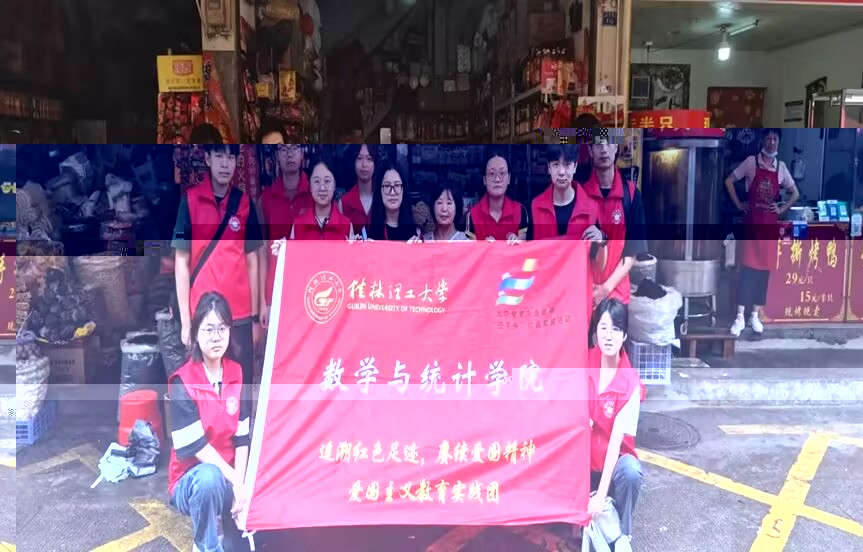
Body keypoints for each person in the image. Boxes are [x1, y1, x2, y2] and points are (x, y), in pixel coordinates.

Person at [173, 143, 264, 389]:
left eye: (230, 158)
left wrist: (255, 318)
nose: (225, 164)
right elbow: (181, 261)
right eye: (219, 156)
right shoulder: (189, 201)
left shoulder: (244, 203)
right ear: (207, 159)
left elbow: (253, 260)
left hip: (240, 315)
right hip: (202, 314)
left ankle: (242, 418)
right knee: (204, 387)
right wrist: (186, 321)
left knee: (241, 386)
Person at [169, 291, 252, 552]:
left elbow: (242, 438)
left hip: (229, 477)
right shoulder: (182, 382)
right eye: (208, 329)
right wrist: (236, 481)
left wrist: (241, 485)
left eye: (222, 329)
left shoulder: (237, 373)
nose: (216, 337)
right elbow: (198, 448)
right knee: (209, 477)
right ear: (195, 333)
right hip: (191, 482)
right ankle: (205, 546)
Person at [725, 128, 800, 336]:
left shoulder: (781, 168)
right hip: (751, 224)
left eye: (775, 139)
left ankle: (754, 316)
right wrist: (739, 204)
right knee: (746, 270)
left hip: (769, 228)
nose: (772, 142)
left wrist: (781, 209)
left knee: (763, 273)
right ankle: (740, 317)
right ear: (763, 141)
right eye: (768, 138)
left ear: (779, 142)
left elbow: (794, 193)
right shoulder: (751, 163)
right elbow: (729, 181)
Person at [586, 298, 645, 551]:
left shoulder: (631, 384)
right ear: (595, 331)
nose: (608, 336)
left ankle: (623, 536)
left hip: (611, 466)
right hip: (581, 464)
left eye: (616, 329)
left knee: (631, 471)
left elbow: (614, 443)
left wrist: (600, 496)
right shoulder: (581, 362)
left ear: (625, 335)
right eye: (603, 328)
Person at [581, 131, 648, 306]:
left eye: (609, 143)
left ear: (616, 147)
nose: (604, 149)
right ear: (590, 151)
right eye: (598, 144)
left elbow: (631, 253)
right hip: (585, 292)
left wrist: (605, 289)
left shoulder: (631, 195)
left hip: (617, 295)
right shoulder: (581, 195)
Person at [259, 144, 312, 323]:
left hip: (308, 284)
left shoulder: (314, 194)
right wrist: (263, 300)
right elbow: (261, 251)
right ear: (276, 155)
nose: (289, 154)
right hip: (276, 285)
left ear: (302, 153)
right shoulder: (266, 199)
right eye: (283, 149)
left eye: (294, 148)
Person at [465, 152, 528, 243]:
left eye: (502, 173)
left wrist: (517, 243)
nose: (497, 179)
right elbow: (471, 251)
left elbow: (523, 249)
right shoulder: (472, 215)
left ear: (509, 178)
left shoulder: (521, 211)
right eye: (492, 174)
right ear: (484, 180)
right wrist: (483, 247)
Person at [290, 158, 355, 240]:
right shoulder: (298, 225)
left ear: (334, 185)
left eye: (327, 181)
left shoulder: (346, 225)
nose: (322, 188)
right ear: (310, 186)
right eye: (317, 181)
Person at [367, 162, 419, 241]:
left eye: (397, 185)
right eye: (387, 186)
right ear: (379, 191)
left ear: (404, 189)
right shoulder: (367, 231)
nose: (392, 192)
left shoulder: (416, 233)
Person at [340, 144, 378, 235]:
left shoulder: (383, 197)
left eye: (369, 159)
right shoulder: (344, 202)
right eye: (359, 158)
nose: (364, 164)